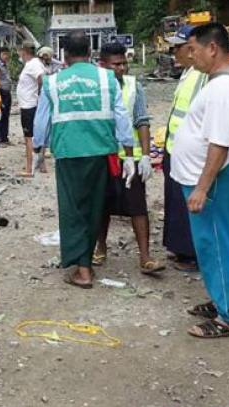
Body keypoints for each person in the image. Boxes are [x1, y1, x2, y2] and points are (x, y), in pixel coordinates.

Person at [33, 31, 136, 288]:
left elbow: (41, 121)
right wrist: (130, 152)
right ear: (90, 53)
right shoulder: (107, 78)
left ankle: (82, 270)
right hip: (101, 152)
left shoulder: (52, 82)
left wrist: (38, 149)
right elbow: (121, 117)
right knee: (94, 208)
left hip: (68, 153)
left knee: (72, 209)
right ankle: (86, 264)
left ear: (64, 55)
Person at [172, 23, 229, 338]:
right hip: (214, 178)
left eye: (194, 49)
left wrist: (202, 188)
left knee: (218, 244)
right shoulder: (221, 82)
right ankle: (222, 300)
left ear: (212, 48)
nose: (190, 56)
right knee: (212, 244)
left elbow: (219, 144)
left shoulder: (223, 90)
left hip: (215, 180)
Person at [94, 42, 165, 275]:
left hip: (129, 159)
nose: (122, 68)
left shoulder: (135, 86)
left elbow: (142, 121)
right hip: (104, 157)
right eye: (116, 64)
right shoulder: (96, 89)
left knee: (137, 206)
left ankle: (145, 256)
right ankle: (100, 247)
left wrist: (145, 156)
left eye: (124, 63)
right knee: (101, 205)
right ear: (103, 65)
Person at [162, 25, 206, 273]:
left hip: (191, 151)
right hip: (176, 146)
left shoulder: (202, 75)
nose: (173, 52)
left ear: (191, 48)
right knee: (175, 200)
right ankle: (180, 248)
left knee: (187, 202)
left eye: (177, 47)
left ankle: (190, 253)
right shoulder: (189, 72)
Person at [16, 41, 47, 177]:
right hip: (29, 104)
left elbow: (41, 79)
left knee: (29, 138)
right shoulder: (33, 63)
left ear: (24, 51)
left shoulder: (33, 64)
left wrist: (40, 94)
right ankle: (41, 164)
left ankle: (29, 169)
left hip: (29, 105)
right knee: (36, 135)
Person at [0, 46, 13, 145]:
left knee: (6, 115)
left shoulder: (6, 65)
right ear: (0, 55)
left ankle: (4, 137)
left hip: (7, 92)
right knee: (0, 116)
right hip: (1, 92)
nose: (6, 56)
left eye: (7, 54)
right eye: (4, 54)